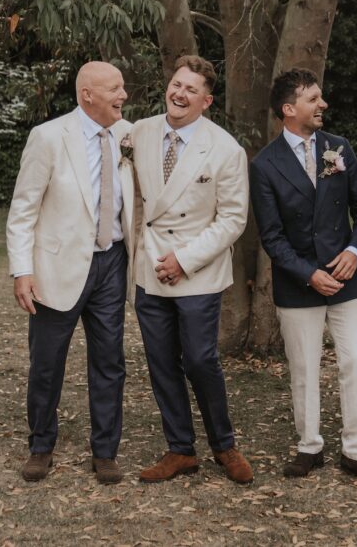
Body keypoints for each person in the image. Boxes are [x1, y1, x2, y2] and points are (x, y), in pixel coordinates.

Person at [250, 68, 357, 486]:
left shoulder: (339, 147)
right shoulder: (264, 164)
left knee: (356, 361)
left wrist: (354, 251)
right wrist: (308, 274)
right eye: (313, 98)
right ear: (289, 109)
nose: (322, 104)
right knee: (304, 366)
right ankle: (309, 445)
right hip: (298, 283)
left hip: (347, 279)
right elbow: (271, 236)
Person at [6, 61, 134, 485]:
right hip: (56, 267)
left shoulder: (129, 135)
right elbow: (23, 209)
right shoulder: (48, 137)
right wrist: (22, 271)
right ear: (87, 95)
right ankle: (41, 446)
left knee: (109, 361)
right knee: (47, 363)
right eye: (114, 88)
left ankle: (105, 451)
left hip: (112, 262)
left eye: (122, 87)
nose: (123, 95)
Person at [130, 55, 252, 485]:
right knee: (161, 361)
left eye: (191, 90)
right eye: (177, 85)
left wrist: (184, 260)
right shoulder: (139, 132)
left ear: (206, 101)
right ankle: (180, 449)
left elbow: (233, 219)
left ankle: (224, 445)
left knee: (200, 360)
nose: (179, 94)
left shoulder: (226, 149)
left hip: (197, 269)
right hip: (150, 267)